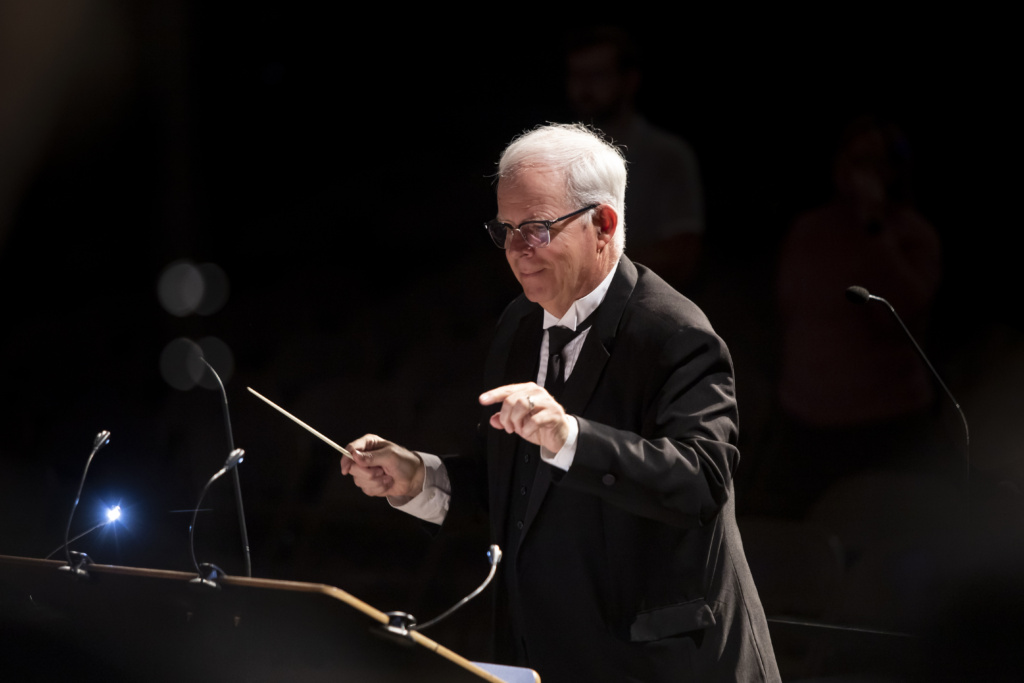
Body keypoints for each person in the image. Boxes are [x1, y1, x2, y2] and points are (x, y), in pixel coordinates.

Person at [342, 123, 779, 682]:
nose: (518, 251)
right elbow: (517, 494)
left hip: (657, 664)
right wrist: (419, 480)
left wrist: (569, 435)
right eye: (506, 230)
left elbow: (699, 482)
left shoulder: (674, 333)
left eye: (539, 228)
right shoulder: (519, 325)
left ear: (604, 224)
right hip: (546, 654)